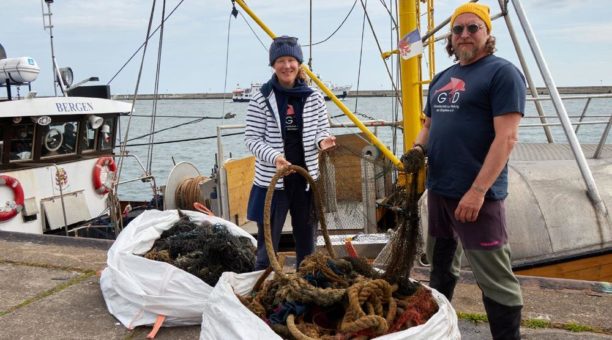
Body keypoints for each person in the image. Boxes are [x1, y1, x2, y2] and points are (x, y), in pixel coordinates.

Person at [403, 3, 525, 339]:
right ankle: (440, 329)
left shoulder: (502, 74)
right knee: (441, 265)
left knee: (495, 277)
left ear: (487, 34)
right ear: (451, 39)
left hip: (477, 197)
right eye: (458, 30)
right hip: (440, 191)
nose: (465, 34)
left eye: (473, 28)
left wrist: (477, 191)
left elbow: (507, 137)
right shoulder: (442, 79)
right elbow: (429, 125)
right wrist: (416, 149)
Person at [245, 35, 336, 270]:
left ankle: (305, 288)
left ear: (299, 63)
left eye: (291, 60)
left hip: (305, 182)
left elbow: (321, 130)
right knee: (267, 248)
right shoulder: (261, 97)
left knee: (307, 246)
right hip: (273, 184)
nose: (287, 66)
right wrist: (274, 157)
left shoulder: (314, 97)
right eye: (281, 61)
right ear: (273, 65)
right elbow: (252, 139)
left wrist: (322, 142)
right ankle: (260, 289)